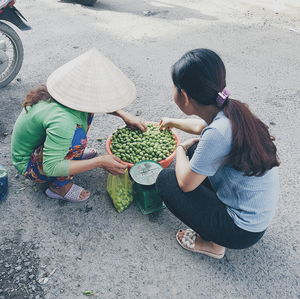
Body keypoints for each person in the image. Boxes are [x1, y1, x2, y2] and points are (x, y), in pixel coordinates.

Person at [156, 48, 280, 259]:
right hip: (257, 215)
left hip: (241, 231)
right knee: (196, 150)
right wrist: (172, 122)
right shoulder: (231, 109)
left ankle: (213, 244)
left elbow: (186, 184)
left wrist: (179, 150)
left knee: (167, 179)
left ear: (184, 96)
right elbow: (202, 128)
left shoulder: (217, 134)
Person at [11, 48, 146, 203]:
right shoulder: (63, 121)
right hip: (29, 163)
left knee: (84, 120)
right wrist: (99, 162)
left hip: (47, 142)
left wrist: (124, 115)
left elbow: (97, 101)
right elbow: (51, 167)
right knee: (77, 138)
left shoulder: (64, 95)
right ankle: (59, 187)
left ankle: (74, 155)